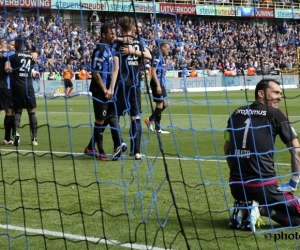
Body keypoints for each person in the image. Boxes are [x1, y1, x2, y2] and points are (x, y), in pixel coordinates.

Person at [224, 79, 300, 233]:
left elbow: (227, 149)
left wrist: (238, 174)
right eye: (276, 92)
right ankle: (262, 209)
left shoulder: (236, 113)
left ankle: (250, 208)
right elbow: (297, 150)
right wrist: (294, 182)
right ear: (261, 93)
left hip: (236, 187)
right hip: (263, 188)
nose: (279, 97)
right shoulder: (276, 114)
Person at [84, 23, 126, 161]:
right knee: (100, 120)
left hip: (108, 90)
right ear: (103, 35)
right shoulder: (99, 50)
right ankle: (100, 151)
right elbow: (95, 72)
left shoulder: (109, 48)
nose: (113, 35)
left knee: (110, 116)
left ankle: (92, 147)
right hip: (99, 90)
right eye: (111, 34)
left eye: (114, 33)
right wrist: (104, 89)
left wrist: (111, 88)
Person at [113, 16, 152, 160]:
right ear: (132, 28)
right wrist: (135, 52)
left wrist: (128, 49)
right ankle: (136, 151)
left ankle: (120, 143)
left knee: (114, 116)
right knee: (135, 117)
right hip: (135, 85)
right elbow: (149, 56)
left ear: (121, 28)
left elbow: (115, 66)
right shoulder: (139, 42)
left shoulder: (118, 44)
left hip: (122, 85)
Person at [6, 37, 39, 146]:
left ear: (16, 45)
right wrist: (35, 53)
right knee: (32, 112)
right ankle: (34, 139)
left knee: (18, 111)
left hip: (17, 87)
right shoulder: (31, 56)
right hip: (28, 86)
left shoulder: (13, 56)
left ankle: (16, 133)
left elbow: (7, 66)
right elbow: (32, 66)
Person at [144, 42, 170, 134]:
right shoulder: (157, 56)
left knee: (165, 104)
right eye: (167, 48)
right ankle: (157, 129)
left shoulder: (162, 57)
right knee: (159, 105)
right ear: (162, 47)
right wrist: (158, 85)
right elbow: (153, 71)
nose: (168, 50)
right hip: (156, 83)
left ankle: (150, 120)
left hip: (161, 83)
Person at [0, 38, 14, 145]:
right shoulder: (8, 55)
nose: (8, 45)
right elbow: (7, 69)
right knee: (9, 112)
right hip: (4, 87)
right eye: (6, 44)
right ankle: (7, 138)